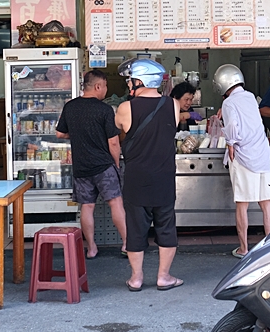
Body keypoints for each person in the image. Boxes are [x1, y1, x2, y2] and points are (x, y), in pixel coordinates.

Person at [114, 58, 182, 292]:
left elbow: (118, 133)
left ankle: (136, 278)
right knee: (166, 227)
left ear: (139, 80)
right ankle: (164, 276)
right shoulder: (173, 105)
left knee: (136, 229)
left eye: (131, 80)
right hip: (164, 177)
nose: (129, 84)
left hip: (136, 179)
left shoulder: (125, 108)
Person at [55, 69, 127, 259]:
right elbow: (113, 142)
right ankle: (127, 244)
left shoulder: (70, 107)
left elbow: (60, 134)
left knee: (87, 207)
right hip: (103, 166)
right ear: (97, 86)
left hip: (81, 167)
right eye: (105, 86)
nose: (105, 90)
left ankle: (92, 248)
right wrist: (116, 164)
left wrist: (78, 134)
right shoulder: (104, 110)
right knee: (116, 203)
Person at [215, 65, 270, 258]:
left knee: (242, 203)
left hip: (243, 156)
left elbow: (232, 124)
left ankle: (244, 248)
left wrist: (231, 142)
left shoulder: (228, 103)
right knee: (266, 204)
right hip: (261, 154)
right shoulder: (250, 96)